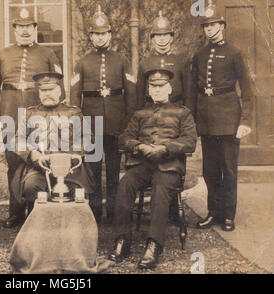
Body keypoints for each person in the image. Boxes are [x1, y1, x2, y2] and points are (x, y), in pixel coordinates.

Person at [107, 61, 197, 269]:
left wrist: (165, 149)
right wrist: (139, 147)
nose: (157, 90)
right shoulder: (139, 114)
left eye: (161, 86)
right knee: (125, 185)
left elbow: (189, 141)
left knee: (160, 189)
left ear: (169, 88)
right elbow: (125, 138)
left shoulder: (183, 113)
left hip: (169, 166)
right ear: (148, 89)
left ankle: (153, 245)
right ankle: (122, 240)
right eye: (153, 86)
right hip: (142, 164)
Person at [0, 7, 63, 228]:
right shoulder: (3, 54)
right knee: (14, 163)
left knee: (39, 159)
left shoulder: (47, 53)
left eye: (28, 27)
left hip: (38, 115)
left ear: (35, 29)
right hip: (10, 113)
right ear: (14, 30)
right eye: (20, 27)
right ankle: (16, 212)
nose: (24, 31)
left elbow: (60, 89)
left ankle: (37, 209)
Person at [187, 2, 253, 232]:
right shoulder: (200, 54)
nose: (209, 29)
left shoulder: (235, 53)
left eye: (214, 24)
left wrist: (245, 121)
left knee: (229, 169)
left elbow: (248, 89)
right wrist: (193, 120)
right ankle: (212, 213)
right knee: (210, 170)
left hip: (228, 119)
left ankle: (228, 215)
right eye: (206, 25)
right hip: (206, 121)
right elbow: (193, 90)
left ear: (222, 26)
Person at [70, 5, 136, 224]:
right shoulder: (82, 62)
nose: (100, 38)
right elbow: (74, 97)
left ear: (110, 34)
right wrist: (79, 126)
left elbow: (131, 95)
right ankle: (96, 213)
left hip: (116, 124)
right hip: (91, 124)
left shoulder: (122, 60)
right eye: (96, 34)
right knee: (94, 170)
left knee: (115, 170)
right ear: (91, 36)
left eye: (104, 33)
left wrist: (128, 124)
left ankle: (115, 212)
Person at [10, 72, 95, 210]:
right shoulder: (29, 113)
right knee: (31, 187)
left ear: (59, 91)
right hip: (40, 168)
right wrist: (31, 153)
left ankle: (74, 227)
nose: (47, 94)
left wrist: (71, 155)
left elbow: (88, 139)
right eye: (43, 91)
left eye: (51, 90)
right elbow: (17, 140)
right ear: (39, 93)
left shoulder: (73, 112)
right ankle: (36, 224)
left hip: (71, 169)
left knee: (78, 191)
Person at [136, 11, 191, 108]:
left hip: (176, 111)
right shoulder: (144, 63)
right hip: (150, 111)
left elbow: (189, 93)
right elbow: (139, 95)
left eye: (165, 35)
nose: (162, 38)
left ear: (171, 38)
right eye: (158, 35)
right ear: (153, 39)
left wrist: (188, 114)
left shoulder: (181, 62)